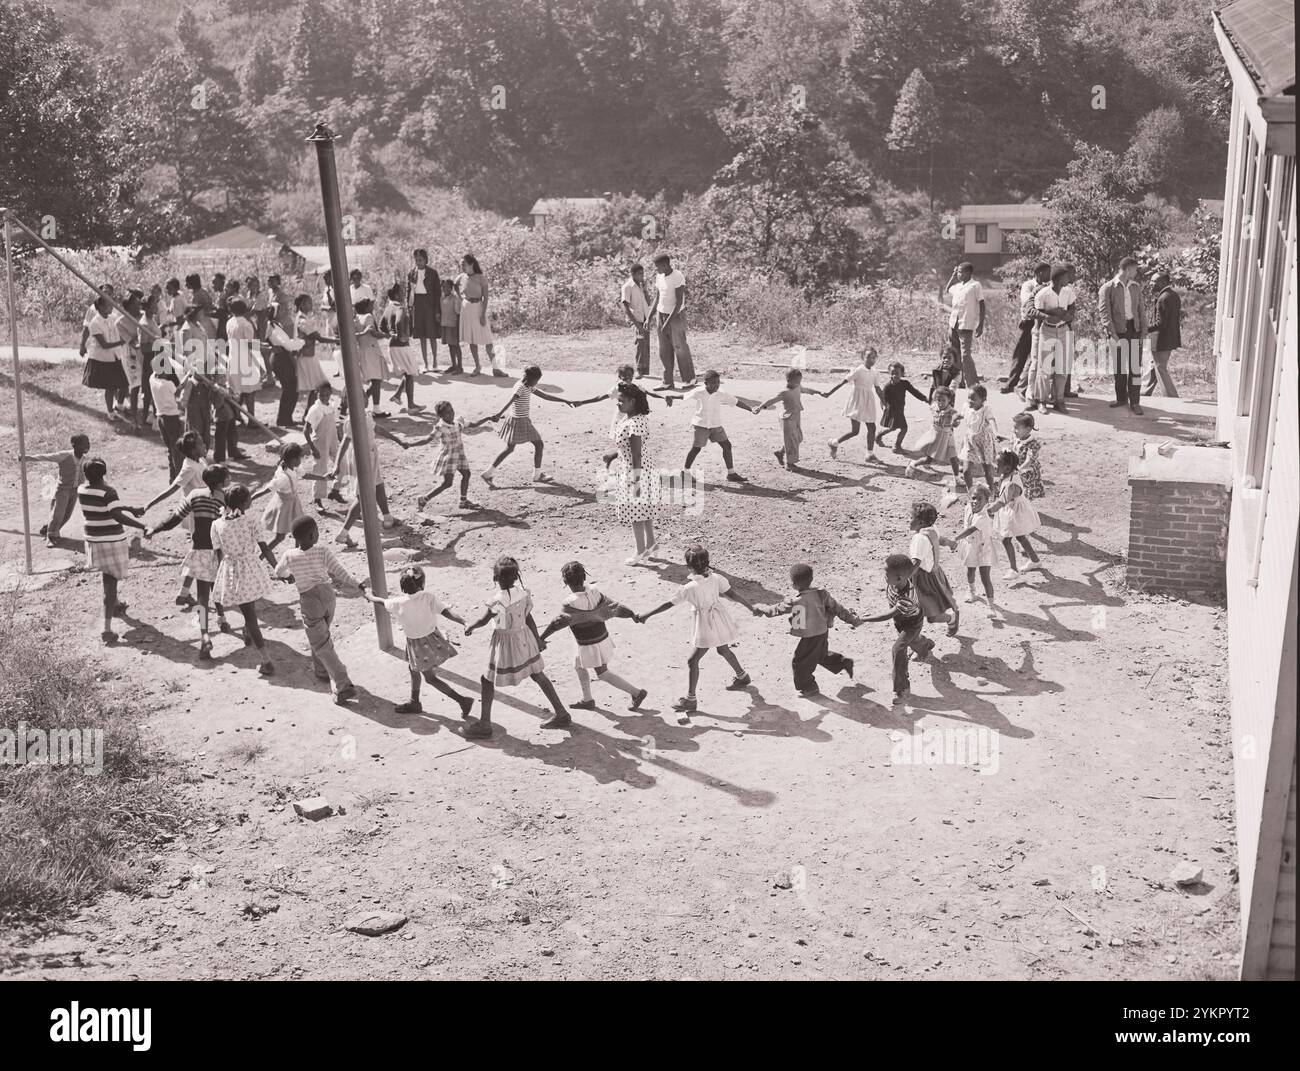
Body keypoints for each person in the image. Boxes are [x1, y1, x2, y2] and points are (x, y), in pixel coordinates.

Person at [635, 545, 752, 718]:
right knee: (723, 649)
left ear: (688, 567)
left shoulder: (690, 587)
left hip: (706, 624)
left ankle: (691, 699)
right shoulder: (717, 578)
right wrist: (751, 607)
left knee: (692, 661)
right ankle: (742, 676)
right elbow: (732, 594)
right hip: (719, 619)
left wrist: (647, 614)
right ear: (708, 562)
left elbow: (669, 603)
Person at [462, 556, 571, 738]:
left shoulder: (497, 601)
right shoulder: (523, 593)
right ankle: (561, 713)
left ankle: (485, 725)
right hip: (525, 638)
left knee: (487, 679)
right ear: (516, 577)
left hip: (506, 644)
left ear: (495, 578)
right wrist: (537, 639)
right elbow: (529, 617)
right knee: (537, 674)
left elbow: (490, 621)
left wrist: (470, 626)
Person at [362, 565, 474, 717]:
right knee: (413, 669)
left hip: (417, 645)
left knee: (430, 678)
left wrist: (368, 595)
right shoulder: (428, 597)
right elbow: (446, 612)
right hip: (432, 640)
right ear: (421, 584)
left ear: (402, 586)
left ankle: (462, 701)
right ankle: (414, 701)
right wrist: (464, 622)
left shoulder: (398, 602)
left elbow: (380, 601)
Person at [272, 516, 362, 704]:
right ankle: (321, 670)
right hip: (328, 597)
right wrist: (357, 584)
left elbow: (278, 572)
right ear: (313, 535)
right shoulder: (322, 551)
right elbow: (339, 570)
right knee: (322, 635)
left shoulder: (289, 555)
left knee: (321, 642)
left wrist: (289, 576)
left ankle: (343, 683)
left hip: (309, 599)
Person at [146, 465, 232, 659]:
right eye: (228, 476)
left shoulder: (195, 495)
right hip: (218, 553)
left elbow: (175, 518)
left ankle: (204, 636)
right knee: (217, 589)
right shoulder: (226, 499)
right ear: (220, 481)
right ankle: (222, 618)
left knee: (202, 597)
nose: (230, 477)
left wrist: (156, 529)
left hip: (199, 550)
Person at [539, 561, 647, 712]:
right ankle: (587, 699)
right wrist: (632, 615)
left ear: (565, 581)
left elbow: (558, 623)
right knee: (578, 664)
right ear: (584, 577)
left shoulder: (570, 603)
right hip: (601, 638)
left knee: (602, 674)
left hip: (588, 643)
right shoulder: (595, 592)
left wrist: (541, 638)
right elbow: (615, 607)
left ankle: (636, 693)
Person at [753, 563, 860, 697]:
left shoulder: (795, 601)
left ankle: (809, 687)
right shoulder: (822, 594)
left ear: (794, 585)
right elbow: (837, 608)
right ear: (811, 579)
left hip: (810, 636)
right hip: (822, 631)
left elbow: (777, 609)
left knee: (800, 662)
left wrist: (762, 610)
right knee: (819, 655)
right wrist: (852, 620)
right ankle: (842, 662)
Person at [77, 457, 148, 643]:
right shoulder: (109, 491)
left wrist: (129, 508)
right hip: (111, 541)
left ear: (85, 474)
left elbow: (107, 506)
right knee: (110, 584)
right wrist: (141, 525)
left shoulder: (82, 489)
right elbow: (115, 515)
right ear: (105, 473)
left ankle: (115, 604)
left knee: (107, 576)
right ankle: (106, 629)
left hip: (93, 539)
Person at [212, 484, 276, 677]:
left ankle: (249, 632)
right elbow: (265, 549)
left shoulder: (216, 524)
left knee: (248, 610)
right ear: (244, 503)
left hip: (231, 569)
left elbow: (218, 554)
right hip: (251, 569)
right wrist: (279, 570)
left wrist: (222, 575)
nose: (251, 500)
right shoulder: (251, 521)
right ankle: (266, 660)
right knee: (250, 614)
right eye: (249, 498)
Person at [859, 553, 934, 706]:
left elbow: (889, 614)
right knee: (911, 642)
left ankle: (902, 689)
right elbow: (911, 567)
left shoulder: (907, 596)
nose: (884, 577)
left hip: (912, 623)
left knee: (898, 649)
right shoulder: (896, 582)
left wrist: (863, 619)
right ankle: (925, 645)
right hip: (901, 621)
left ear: (899, 578)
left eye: (886, 575)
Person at [599, 382, 662, 564]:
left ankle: (641, 551)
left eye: (622, 401)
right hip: (640, 467)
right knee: (645, 511)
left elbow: (636, 452)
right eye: (617, 401)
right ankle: (651, 545)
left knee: (636, 513)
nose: (618, 404)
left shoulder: (634, 423)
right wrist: (613, 454)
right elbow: (630, 448)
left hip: (636, 470)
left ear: (633, 401)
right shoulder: (636, 418)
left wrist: (636, 481)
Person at [478, 365, 568, 487]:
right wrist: (499, 414)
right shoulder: (521, 387)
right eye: (537, 380)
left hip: (515, 419)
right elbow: (511, 400)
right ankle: (537, 475)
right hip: (520, 421)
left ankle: (488, 473)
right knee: (539, 445)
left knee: (510, 448)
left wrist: (565, 401)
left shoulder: (527, 385)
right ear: (531, 378)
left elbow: (545, 396)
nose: (537, 383)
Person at [328, 407, 403, 545]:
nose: (366, 398)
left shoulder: (365, 414)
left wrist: (397, 439)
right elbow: (345, 442)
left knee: (378, 484)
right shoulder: (352, 420)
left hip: (371, 455)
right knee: (363, 496)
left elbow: (377, 428)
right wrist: (337, 464)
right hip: (362, 458)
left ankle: (387, 518)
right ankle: (343, 533)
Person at [674, 370, 756, 482]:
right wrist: (670, 397)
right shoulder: (699, 391)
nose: (716, 385)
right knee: (696, 449)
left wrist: (750, 409)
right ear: (706, 383)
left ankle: (731, 473)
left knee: (727, 446)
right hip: (701, 425)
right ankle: (685, 472)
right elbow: (684, 395)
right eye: (713, 383)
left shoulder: (721, 393)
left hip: (716, 425)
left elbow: (736, 402)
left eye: (718, 382)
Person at [409, 400, 479, 514]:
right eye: (447, 413)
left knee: (467, 474)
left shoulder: (457, 422)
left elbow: (474, 424)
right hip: (449, 457)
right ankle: (424, 499)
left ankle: (463, 501)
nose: (451, 414)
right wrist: (411, 444)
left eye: (451, 410)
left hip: (459, 454)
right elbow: (427, 439)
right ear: (440, 416)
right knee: (448, 483)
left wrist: (488, 419)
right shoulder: (440, 427)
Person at [22, 433, 90, 547]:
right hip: (63, 490)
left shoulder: (84, 458)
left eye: (88, 443)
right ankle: (52, 536)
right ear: (74, 445)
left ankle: (48, 528)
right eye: (84, 444)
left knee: (67, 515)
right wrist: (26, 458)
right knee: (58, 514)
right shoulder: (64, 455)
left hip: (75, 490)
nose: (87, 446)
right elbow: (46, 457)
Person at [1098, 256, 1146, 414]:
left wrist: (1143, 332)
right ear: (1127, 269)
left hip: (1134, 329)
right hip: (1118, 331)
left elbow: (1141, 310)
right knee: (1119, 368)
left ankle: (1135, 402)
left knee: (1135, 368)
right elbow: (1105, 313)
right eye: (1135, 269)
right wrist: (1112, 333)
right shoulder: (1108, 287)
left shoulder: (1135, 287)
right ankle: (1121, 398)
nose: (1136, 272)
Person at [987, 449, 1043, 578]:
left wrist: (987, 510)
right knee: (1020, 536)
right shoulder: (1010, 474)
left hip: (1015, 512)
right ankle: (1035, 560)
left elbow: (1001, 502)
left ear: (1006, 468)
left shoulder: (1010, 484)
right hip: (1015, 510)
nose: (993, 466)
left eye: (997, 464)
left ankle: (1013, 569)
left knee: (1005, 539)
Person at [942, 485, 998, 608]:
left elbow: (970, 529)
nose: (976, 502)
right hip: (971, 545)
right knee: (970, 570)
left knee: (985, 576)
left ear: (986, 501)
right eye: (973, 498)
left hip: (984, 549)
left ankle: (990, 605)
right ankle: (972, 592)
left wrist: (955, 539)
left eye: (980, 499)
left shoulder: (983, 517)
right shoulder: (968, 508)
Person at [908, 501, 960, 636]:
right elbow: (939, 539)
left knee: (928, 615)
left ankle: (951, 618)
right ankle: (916, 640)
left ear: (920, 522)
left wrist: (904, 580)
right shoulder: (931, 529)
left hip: (923, 579)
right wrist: (950, 543)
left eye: (911, 517)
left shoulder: (919, 539)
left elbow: (915, 563)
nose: (909, 520)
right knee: (918, 613)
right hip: (934, 574)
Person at [1025, 265, 1071, 412]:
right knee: (1043, 367)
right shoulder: (1042, 292)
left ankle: (1059, 400)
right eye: (1067, 276)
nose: (1069, 279)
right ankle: (1040, 400)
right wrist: (1051, 315)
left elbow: (1072, 307)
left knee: (1062, 368)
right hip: (1045, 331)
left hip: (1063, 330)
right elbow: (1033, 311)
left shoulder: (1068, 291)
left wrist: (1067, 315)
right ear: (1058, 278)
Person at [756, 368, 821, 470]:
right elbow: (771, 400)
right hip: (788, 419)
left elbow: (806, 390)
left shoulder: (798, 387)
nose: (798, 384)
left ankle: (780, 452)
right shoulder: (784, 392)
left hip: (796, 416)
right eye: (796, 382)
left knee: (799, 438)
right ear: (788, 380)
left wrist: (817, 392)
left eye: (800, 381)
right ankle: (789, 463)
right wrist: (760, 407)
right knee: (791, 440)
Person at [646, 253, 695, 388]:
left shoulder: (677, 276)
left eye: (657, 267)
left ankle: (689, 380)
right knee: (664, 350)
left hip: (675, 316)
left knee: (680, 347)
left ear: (665, 265)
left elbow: (679, 302)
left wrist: (668, 323)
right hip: (660, 315)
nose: (656, 269)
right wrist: (649, 317)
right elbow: (657, 298)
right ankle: (667, 382)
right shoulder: (659, 277)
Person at [824, 347, 881, 461]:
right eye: (868, 356)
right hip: (857, 402)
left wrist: (884, 401)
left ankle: (869, 454)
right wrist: (829, 392)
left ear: (876, 359)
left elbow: (878, 388)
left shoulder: (875, 372)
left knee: (872, 427)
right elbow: (843, 382)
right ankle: (834, 442)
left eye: (874, 357)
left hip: (868, 402)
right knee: (855, 431)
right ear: (863, 357)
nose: (871, 359)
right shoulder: (858, 370)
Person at [1003, 262, 1050, 393]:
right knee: (1020, 354)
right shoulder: (1028, 285)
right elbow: (1027, 301)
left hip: (1042, 322)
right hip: (1029, 322)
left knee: (1036, 356)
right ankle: (1011, 383)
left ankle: (1026, 386)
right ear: (1040, 273)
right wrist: (1040, 291)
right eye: (1047, 272)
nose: (1050, 275)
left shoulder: (1049, 286)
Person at [456, 254, 504, 376]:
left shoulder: (481, 278)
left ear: (471, 264)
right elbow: (455, 285)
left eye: (464, 264)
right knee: (472, 339)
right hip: (467, 308)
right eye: (461, 264)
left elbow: (486, 298)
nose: (462, 267)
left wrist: (482, 315)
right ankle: (477, 367)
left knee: (487, 339)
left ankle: (495, 368)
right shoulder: (462, 276)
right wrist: (461, 297)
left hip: (478, 308)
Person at [255, 442, 306, 554]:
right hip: (284, 507)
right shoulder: (283, 477)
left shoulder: (293, 467)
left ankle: (297, 556)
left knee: (298, 532)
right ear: (293, 459)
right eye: (299, 458)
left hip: (293, 504)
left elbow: (305, 475)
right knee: (280, 537)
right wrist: (250, 497)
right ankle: (261, 557)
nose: (300, 460)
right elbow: (267, 489)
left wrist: (324, 478)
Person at [82, 294, 129, 415]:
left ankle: (119, 405)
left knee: (123, 383)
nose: (112, 307)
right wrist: (121, 342)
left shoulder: (113, 317)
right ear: (102, 307)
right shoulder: (95, 323)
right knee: (110, 387)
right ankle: (110, 412)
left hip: (115, 356)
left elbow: (125, 321)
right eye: (109, 305)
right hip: (103, 359)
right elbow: (104, 345)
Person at [941, 261, 985, 387]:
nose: (958, 274)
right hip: (953, 323)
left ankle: (973, 383)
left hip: (966, 324)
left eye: (960, 272)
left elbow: (982, 304)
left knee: (965, 355)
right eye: (958, 271)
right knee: (955, 353)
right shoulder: (958, 286)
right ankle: (958, 381)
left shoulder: (975, 285)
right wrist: (953, 275)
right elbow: (947, 289)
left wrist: (980, 324)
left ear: (968, 273)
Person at [907, 386, 962, 483]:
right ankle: (913, 464)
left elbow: (955, 418)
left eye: (943, 400)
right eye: (938, 400)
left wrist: (955, 422)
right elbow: (934, 406)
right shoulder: (934, 407)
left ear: (949, 400)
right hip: (936, 437)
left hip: (948, 436)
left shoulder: (951, 411)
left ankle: (957, 478)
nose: (940, 403)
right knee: (929, 459)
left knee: (953, 457)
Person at [267, 274, 301, 427]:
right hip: (281, 358)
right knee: (290, 389)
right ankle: (284, 419)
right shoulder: (276, 327)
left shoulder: (275, 325)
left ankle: (285, 417)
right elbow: (288, 346)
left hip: (280, 357)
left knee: (290, 389)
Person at [383, 284, 423, 413]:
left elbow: (381, 326)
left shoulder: (387, 309)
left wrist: (391, 334)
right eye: (401, 292)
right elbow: (399, 322)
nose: (403, 294)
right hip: (401, 345)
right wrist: (402, 336)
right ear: (395, 295)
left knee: (407, 371)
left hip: (392, 345)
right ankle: (411, 406)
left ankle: (397, 395)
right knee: (411, 373)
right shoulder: (399, 307)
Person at [294, 294, 335, 417]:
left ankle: (311, 412)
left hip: (308, 355)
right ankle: (309, 413)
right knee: (317, 385)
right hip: (306, 357)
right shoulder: (303, 321)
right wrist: (337, 341)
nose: (311, 305)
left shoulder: (303, 318)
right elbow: (319, 338)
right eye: (309, 303)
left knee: (317, 386)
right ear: (302, 305)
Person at [302, 382, 341, 512]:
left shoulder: (331, 405)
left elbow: (334, 425)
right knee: (320, 470)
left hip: (332, 439)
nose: (324, 397)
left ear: (330, 393)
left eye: (327, 394)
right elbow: (305, 430)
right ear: (316, 394)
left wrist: (339, 438)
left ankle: (336, 491)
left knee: (341, 462)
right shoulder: (315, 409)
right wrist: (313, 448)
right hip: (320, 442)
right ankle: (317, 499)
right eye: (321, 395)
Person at [875, 362, 929, 454]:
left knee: (893, 428)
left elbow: (914, 392)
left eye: (897, 373)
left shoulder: (904, 384)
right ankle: (897, 446)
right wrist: (884, 407)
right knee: (904, 428)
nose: (895, 375)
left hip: (900, 410)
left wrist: (924, 398)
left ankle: (879, 435)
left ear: (902, 374)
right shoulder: (888, 387)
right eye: (892, 373)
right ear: (889, 373)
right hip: (892, 411)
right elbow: (883, 399)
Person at [1143, 272, 1182, 397]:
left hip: (1161, 340)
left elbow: (1160, 323)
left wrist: (1144, 329)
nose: (1150, 284)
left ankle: (1172, 397)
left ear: (1163, 283)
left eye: (1153, 281)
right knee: (1155, 367)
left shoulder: (1163, 299)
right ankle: (1145, 392)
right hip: (1169, 339)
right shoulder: (1173, 295)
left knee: (1160, 368)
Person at [959, 384, 998, 493]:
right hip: (970, 441)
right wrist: (955, 419)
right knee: (966, 470)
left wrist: (995, 431)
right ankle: (970, 491)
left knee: (987, 471)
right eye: (969, 398)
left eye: (973, 399)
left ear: (983, 400)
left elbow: (991, 419)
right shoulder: (966, 406)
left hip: (984, 442)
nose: (970, 401)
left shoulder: (986, 409)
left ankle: (991, 491)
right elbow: (962, 415)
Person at [408, 249, 442, 370]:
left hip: (430, 304)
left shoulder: (433, 273)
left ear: (426, 259)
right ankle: (425, 364)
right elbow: (409, 292)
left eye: (420, 260)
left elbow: (438, 293)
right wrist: (410, 308)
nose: (418, 262)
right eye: (416, 260)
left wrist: (437, 310)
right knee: (421, 335)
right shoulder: (412, 273)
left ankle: (435, 362)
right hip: (418, 304)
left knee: (432, 334)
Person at [353, 298, 388, 416]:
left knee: (374, 379)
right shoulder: (368, 316)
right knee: (377, 379)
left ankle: (363, 400)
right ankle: (376, 408)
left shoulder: (356, 318)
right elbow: (373, 333)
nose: (372, 307)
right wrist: (386, 335)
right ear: (366, 307)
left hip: (362, 350)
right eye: (370, 305)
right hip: (372, 350)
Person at [621, 264, 652, 377]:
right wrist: (636, 325)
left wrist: (645, 290)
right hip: (635, 319)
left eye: (643, 273)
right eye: (639, 274)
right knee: (639, 342)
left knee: (646, 344)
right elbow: (626, 307)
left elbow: (648, 302)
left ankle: (646, 370)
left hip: (645, 318)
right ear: (632, 274)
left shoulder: (641, 286)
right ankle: (639, 369)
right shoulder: (627, 286)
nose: (642, 276)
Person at [1011, 412, 1044, 501]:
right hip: (1018, 471)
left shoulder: (1033, 444)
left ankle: (1025, 511)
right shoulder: (1018, 438)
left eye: (1016, 428)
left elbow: (1029, 460)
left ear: (1028, 429)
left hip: (1027, 474)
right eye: (1014, 427)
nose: (1014, 430)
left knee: (1024, 495)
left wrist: (1018, 470)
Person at [439, 279, 464, 374]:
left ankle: (460, 366)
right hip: (444, 324)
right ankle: (454, 365)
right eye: (444, 287)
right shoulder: (441, 298)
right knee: (450, 345)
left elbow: (458, 312)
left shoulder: (455, 299)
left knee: (455, 345)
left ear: (451, 288)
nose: (445, 289)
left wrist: (457, 325)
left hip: (453, 325)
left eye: (448, 287)